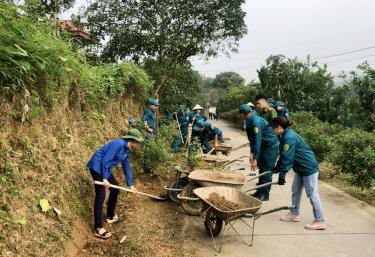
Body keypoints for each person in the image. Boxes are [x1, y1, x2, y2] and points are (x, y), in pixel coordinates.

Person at [86, 129, 144, 239]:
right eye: (138, 142)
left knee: (115, 189)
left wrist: (130, 185)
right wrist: (104, 178)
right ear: (133, 140)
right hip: (97, 165)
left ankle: (110, 215)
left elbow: (126, 167)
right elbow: (105, 160)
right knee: (101, 195)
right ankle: (98, 228)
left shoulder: (127, 150)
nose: (138, 145)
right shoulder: (118, 144)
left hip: (105, 168)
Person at [272, 117, 326, 230]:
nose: (272, 130)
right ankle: (294, 214)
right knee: (295, 190)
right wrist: (277, 166)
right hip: (300, 168)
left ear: (279, 127)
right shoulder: (283, 135)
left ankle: (320, 220)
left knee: (312, 194)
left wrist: (282, 175)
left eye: (273, 128)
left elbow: (288, 157)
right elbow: (283, 154)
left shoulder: (289, 137)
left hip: (308, 167)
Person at [239, 104, 279, 201]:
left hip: (270, 147)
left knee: (266, 170)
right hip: (263, 147)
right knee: (262, 169)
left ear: (244, 114)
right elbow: (252, 140)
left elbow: (257, 141)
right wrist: (252, 154)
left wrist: (255, 158)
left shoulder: (256, 122)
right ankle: (260, 191)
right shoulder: (250, 120)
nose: (241, 116)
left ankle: (265, 194)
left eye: (241, 114)